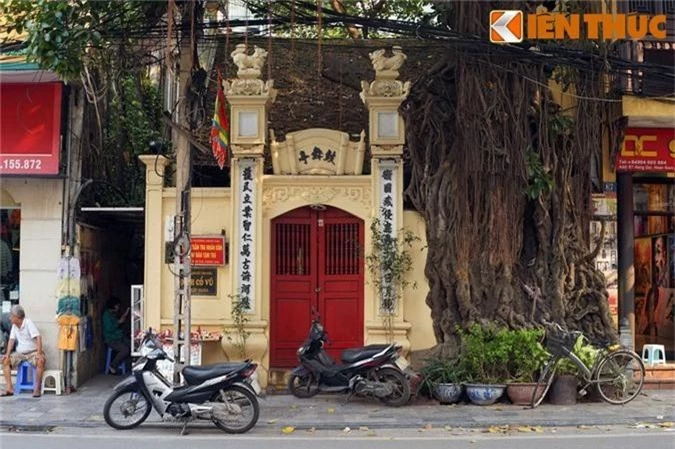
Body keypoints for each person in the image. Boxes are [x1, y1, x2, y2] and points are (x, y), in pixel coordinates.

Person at [1, 305, 45, 397]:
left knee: (40, 361)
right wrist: (7, 354)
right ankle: (9, 388)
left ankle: (36, 389)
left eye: (11, 316)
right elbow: (11, 340)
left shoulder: (28, 323)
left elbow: (38, 337)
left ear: (17, 317)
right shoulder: (14, 326)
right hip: (20, 354)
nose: (10, 318)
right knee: (5, 361)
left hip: (33, 352)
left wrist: (39, 354)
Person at [102, 296, 130, 374]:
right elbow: (109, 328)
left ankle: (123, 363)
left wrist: (121, 321)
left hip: (118, 337)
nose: (118, 307)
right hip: (111, 339)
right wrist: (119, 322)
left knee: (133, 345)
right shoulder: (106, 315)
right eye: (118, 305)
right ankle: (113, 365)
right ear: (114, 305)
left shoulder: (112, 314)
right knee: (125, 350)